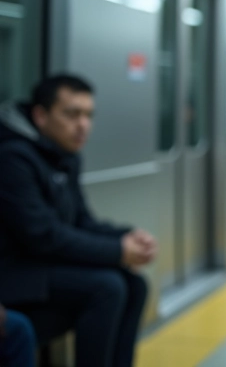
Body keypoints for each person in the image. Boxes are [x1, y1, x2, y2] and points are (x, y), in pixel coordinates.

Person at [0, 75, 154, 367]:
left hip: (42, 268)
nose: (83, 125)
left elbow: (82, 221)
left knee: (135, 285)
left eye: (88, 116)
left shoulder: (63, 156)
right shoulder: (12, 158)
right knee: (107, 287)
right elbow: (42, 235)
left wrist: (127, 237)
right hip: (14, 273)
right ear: (41, 116)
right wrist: (117, 252)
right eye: (72, 114)